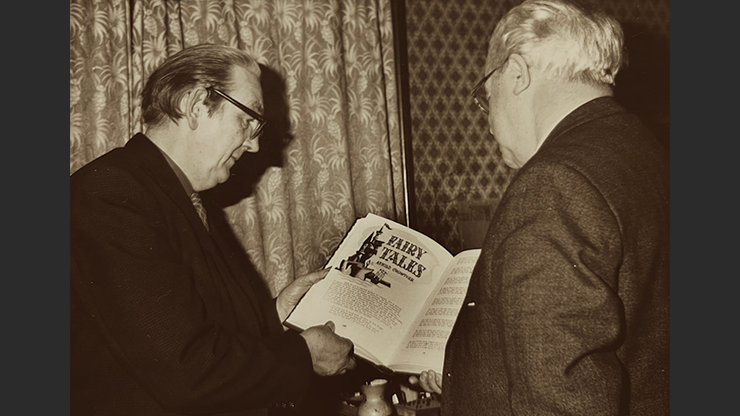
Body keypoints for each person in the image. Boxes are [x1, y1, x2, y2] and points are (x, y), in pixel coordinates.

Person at [413, 0, 670, 414]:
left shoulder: (552, 184)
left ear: (517, 74)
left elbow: (563, 402)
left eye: (486, 98)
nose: (489, 123)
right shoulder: (651, 155)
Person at [70, 44, 356, 415]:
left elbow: (188, 329)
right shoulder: (111, 194)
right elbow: (188, 371)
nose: (254, 145)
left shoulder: (180, 197)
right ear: (195, 105)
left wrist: (275, 317)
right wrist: (304, 355)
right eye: (247, 121)